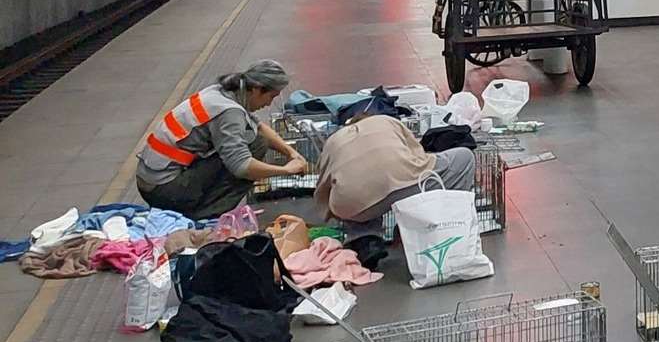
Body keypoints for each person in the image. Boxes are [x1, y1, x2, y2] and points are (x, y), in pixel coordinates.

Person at [134, 60, 309, 218]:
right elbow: (242, 167)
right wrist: (286, 170)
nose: (269, 104)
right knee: (255, 147)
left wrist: (291, 153)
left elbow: (259, 127)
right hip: (164, 190)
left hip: (151, 179)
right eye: (271, 96)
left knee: (255, 138)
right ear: (256, 89)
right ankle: (204, 216)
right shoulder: (229, 112)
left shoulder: (222, 91)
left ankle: (196, 207)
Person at [314, 111, 477, 229]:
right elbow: (420, 156)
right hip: (406, 187)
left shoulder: (333, 141)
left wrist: (332, 212)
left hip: (354, 207)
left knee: (357, 196)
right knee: (464, 157)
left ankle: (366, 241)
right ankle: (443, 223)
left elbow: (323, 187)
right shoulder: (385, 120)